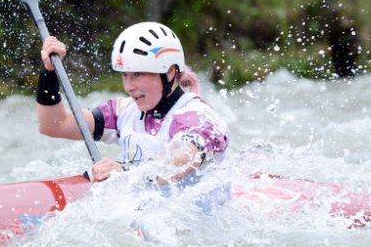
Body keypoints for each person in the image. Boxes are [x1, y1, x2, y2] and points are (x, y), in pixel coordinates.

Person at [36, 21, 229, 184]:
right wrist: (49, 73)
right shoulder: (124, 111)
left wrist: (125, 172)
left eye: (138, 74)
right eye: (125, 75)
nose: (129, 86)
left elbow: (183, 158)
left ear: (169, 72)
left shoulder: (198, 116)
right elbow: (54, 125)